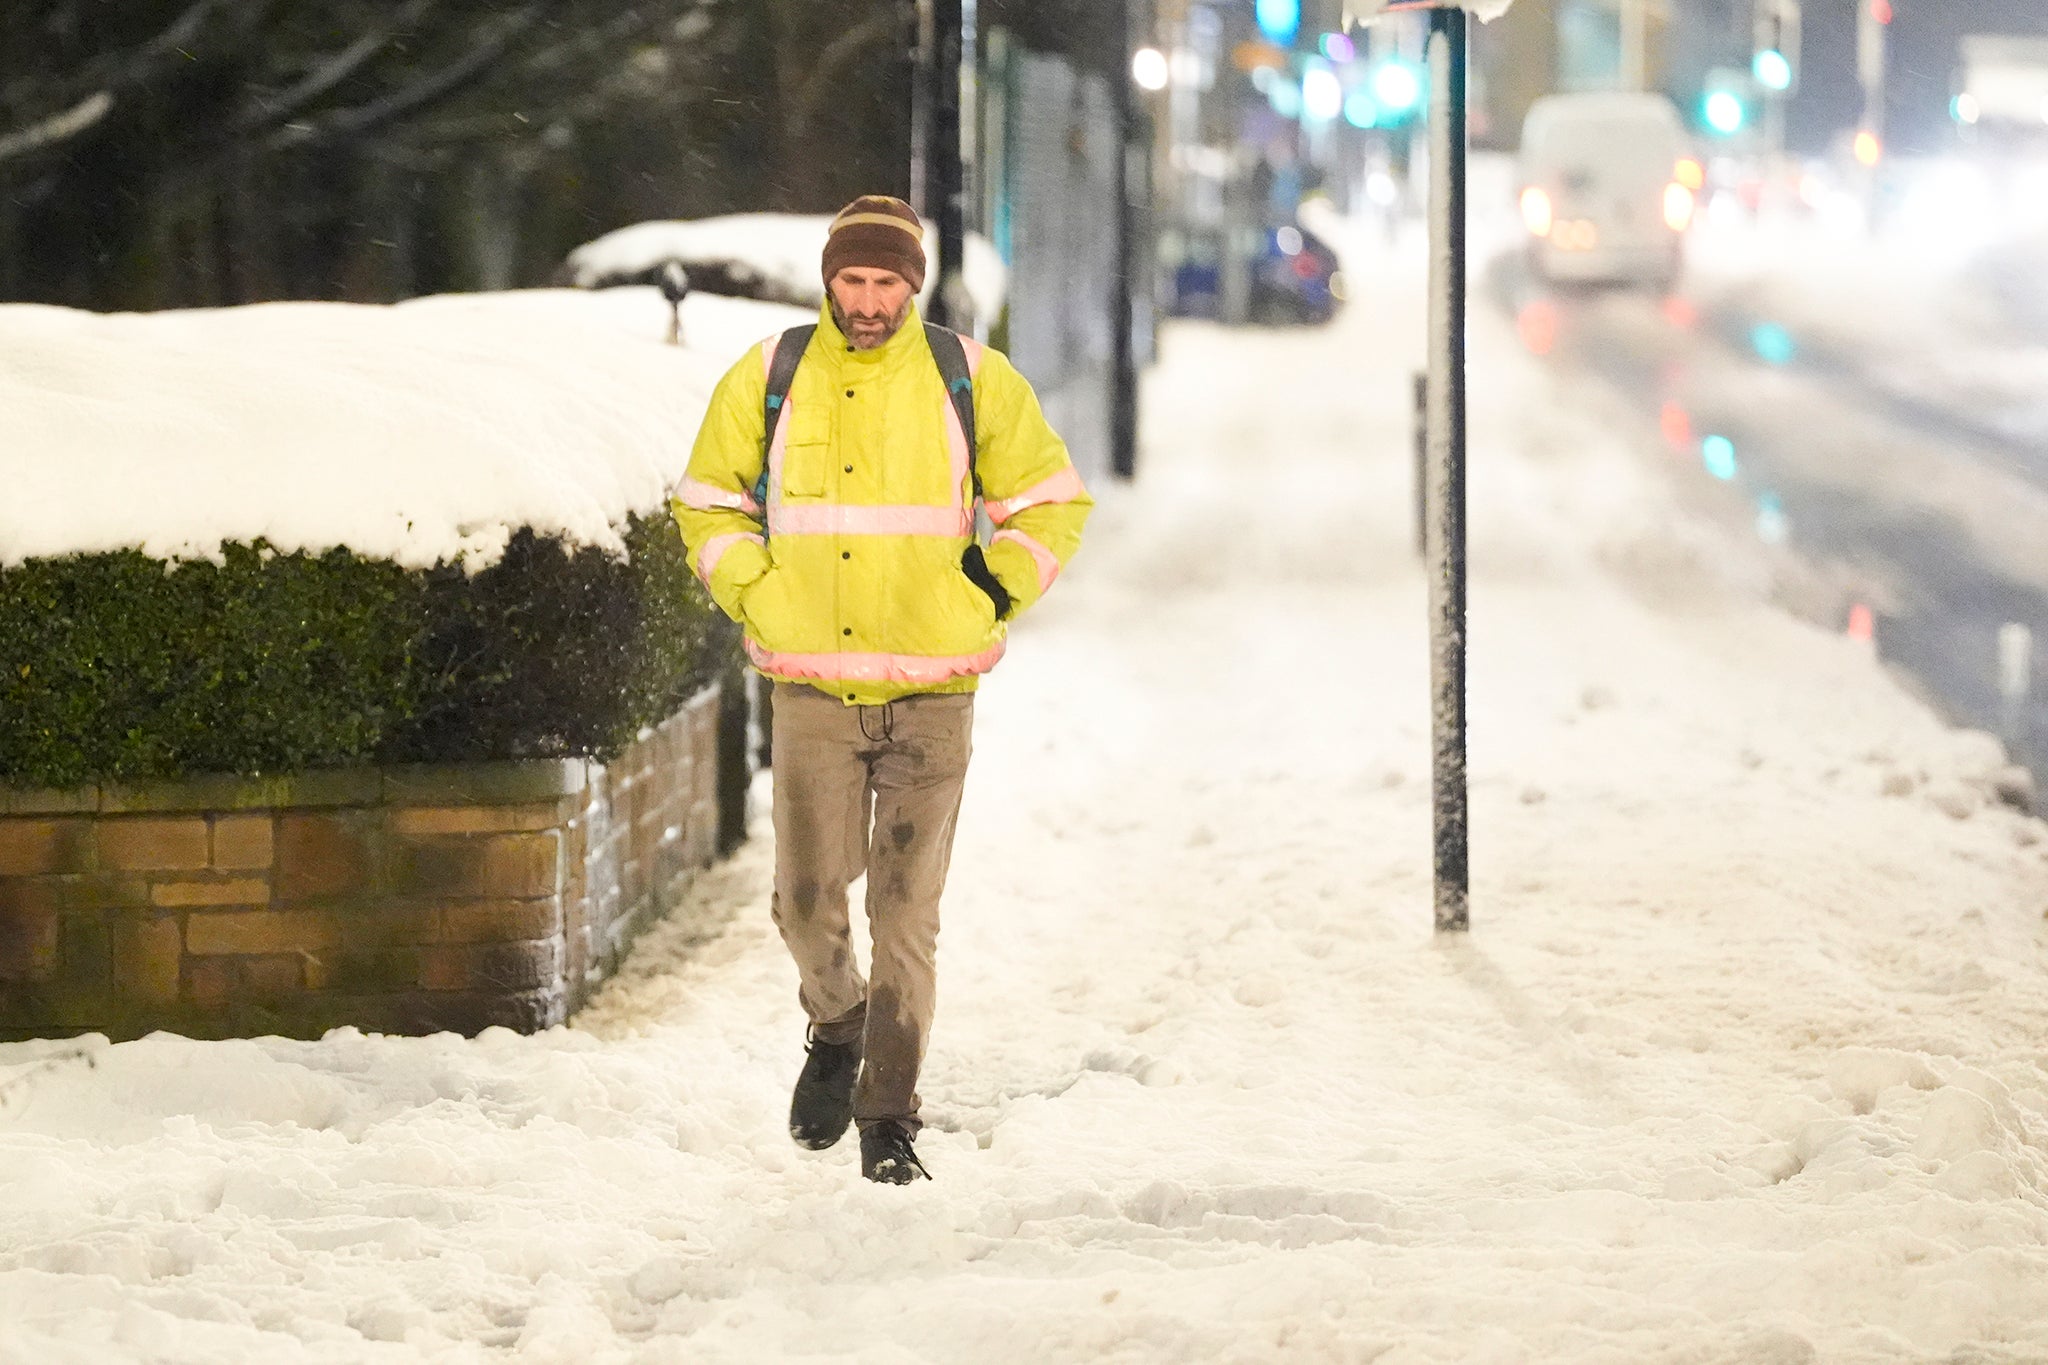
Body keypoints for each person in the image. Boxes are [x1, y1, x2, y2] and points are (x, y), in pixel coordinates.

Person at [671, 195, 1092, 1184]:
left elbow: (1050, 501)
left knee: (906, 915)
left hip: (933, 693)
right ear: (830, 283)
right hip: (812, 687)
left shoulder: (968, 379)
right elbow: (706, 501)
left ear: (912, 284)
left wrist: (990, 586)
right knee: (805, 901)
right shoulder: (771, 376)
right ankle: (835, 1022)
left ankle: (886, 1117)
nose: (867, 301)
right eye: (852, 282)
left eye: (885, 282)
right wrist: (756, 589)